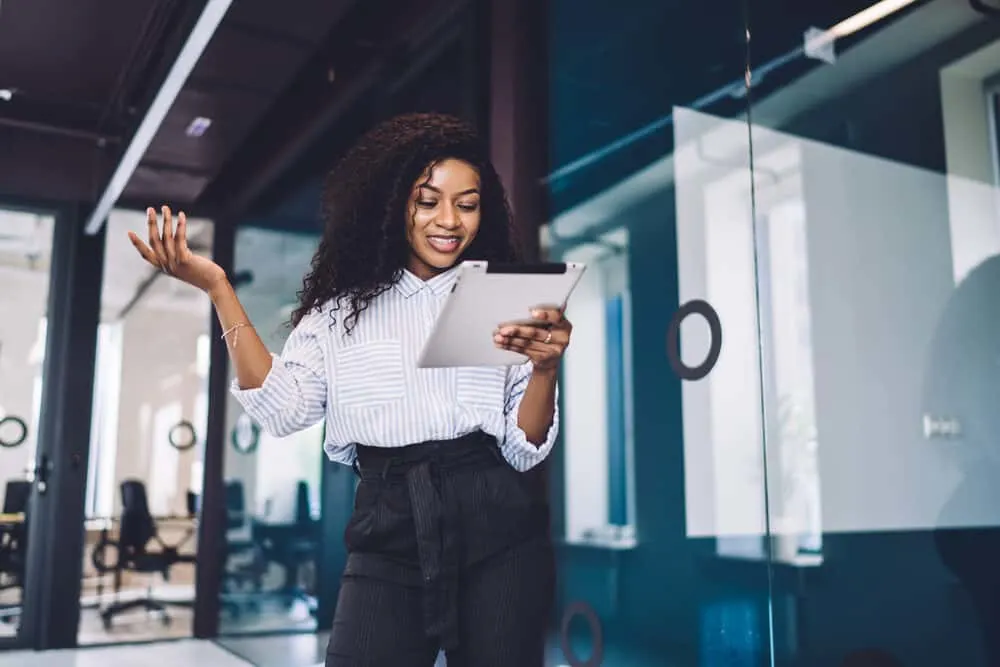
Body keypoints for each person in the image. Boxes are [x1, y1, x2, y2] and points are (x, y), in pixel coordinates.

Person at [129, 112, 572, 666]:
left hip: (496, 526)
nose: (449, 220)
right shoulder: (338, 314)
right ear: (393, 204)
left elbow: (521, 448)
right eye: (427, 200)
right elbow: (284, 409)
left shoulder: (501, 299)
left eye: (467, 202)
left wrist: (546, 371)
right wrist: (219, 287)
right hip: (388, 517)